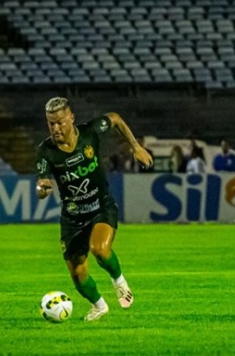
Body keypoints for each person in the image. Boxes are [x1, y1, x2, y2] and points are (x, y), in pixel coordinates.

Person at [35, 97, 153, 321]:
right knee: (78, 275)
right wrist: (42, 189)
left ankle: (119, 281)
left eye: (60, 122)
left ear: (71, 118)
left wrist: (136, 147)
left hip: (101, 207)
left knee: (100, 249)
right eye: (51, 124)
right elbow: (41, 184)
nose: (56, 128)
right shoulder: (46, 151)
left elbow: (115, 118)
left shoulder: (90, 133)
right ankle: (99, 306)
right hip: (72, 218)